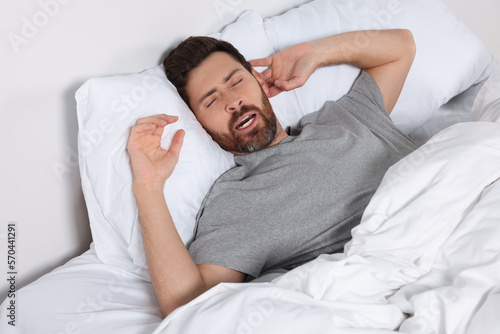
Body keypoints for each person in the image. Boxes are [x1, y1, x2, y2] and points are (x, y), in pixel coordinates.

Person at [126, 29, 418, 317]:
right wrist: (148, 186)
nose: (233, 101)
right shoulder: (236, 200)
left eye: (237, 81)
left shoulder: (344, 117)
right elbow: (187, 305)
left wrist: (316, 53)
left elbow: (401, 48)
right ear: (198, 123)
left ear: (260, 82)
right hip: (393, 274)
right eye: (211, 101)